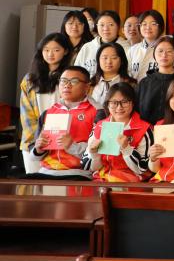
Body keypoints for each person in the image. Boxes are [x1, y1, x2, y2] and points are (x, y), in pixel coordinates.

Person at [25, 66, 98, 180]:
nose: (67, 85)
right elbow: (34, 157)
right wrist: (38, 149)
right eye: (63, 81)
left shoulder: (97, 112)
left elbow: (100, 154)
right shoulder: (48, 112)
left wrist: (72, 146)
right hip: (46, 172)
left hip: (78, 174)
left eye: (74, 81)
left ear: (87, 87)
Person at [19, 33, 71, 170]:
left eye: (56, 50)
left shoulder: (70, 77)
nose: (50, 54)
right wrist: (36, 140)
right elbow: (26, 115)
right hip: (35, 141)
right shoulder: (30, 79)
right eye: (46, 50)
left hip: (61, 141)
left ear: (65, 51)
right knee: (34, 180)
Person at [83, 83, 152, 182]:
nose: (119, 107)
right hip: (102, 180)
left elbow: (142, 169)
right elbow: (89, 168)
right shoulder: (99, 127)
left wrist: (127, 148)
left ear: (133, 103)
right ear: (107, 104)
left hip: (131, 182)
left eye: (124, 102)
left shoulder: (144, 129)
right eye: (114, 102)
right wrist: (94, 153)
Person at [135, 36, 174, 124]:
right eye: (160, 51)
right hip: (147, 129)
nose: (164, 55)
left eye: (169, 51)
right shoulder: (144, 83)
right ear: (154, 54)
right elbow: (137, 111)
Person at [75, 10, 124, 77]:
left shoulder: (126, 48)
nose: (106, 29)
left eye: (111, 25)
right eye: (102, 25)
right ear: (97, 26)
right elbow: (77, 71)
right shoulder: (87, 47)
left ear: (118, 26)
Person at [89, 42, 133, 107]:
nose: (109, 62)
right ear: (98, 60)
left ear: (122, 61)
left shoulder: (131, 84)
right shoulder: (89, 84)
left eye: (114, 58)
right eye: (105, 58)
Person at [127, 10, 164, 81]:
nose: (148, 27)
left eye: (153, 24)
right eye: (144, 24)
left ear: (160, 26)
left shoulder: (166, 48)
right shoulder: (133, 50)